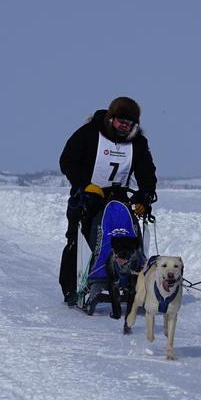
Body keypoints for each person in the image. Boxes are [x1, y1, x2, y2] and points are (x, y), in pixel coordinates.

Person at [59, 96, 157, 305]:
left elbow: (147, 172)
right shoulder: (88, 133)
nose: (125, 126)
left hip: (119, 197)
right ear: (111, 118)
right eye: (121, 121)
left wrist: (145, 195)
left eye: (129, 124)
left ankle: (131, 280)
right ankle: (72, 289)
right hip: (87, 196)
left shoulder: (138, 143)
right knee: (79, 241)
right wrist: (84, 184)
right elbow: (67, 161)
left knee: (129, 236)